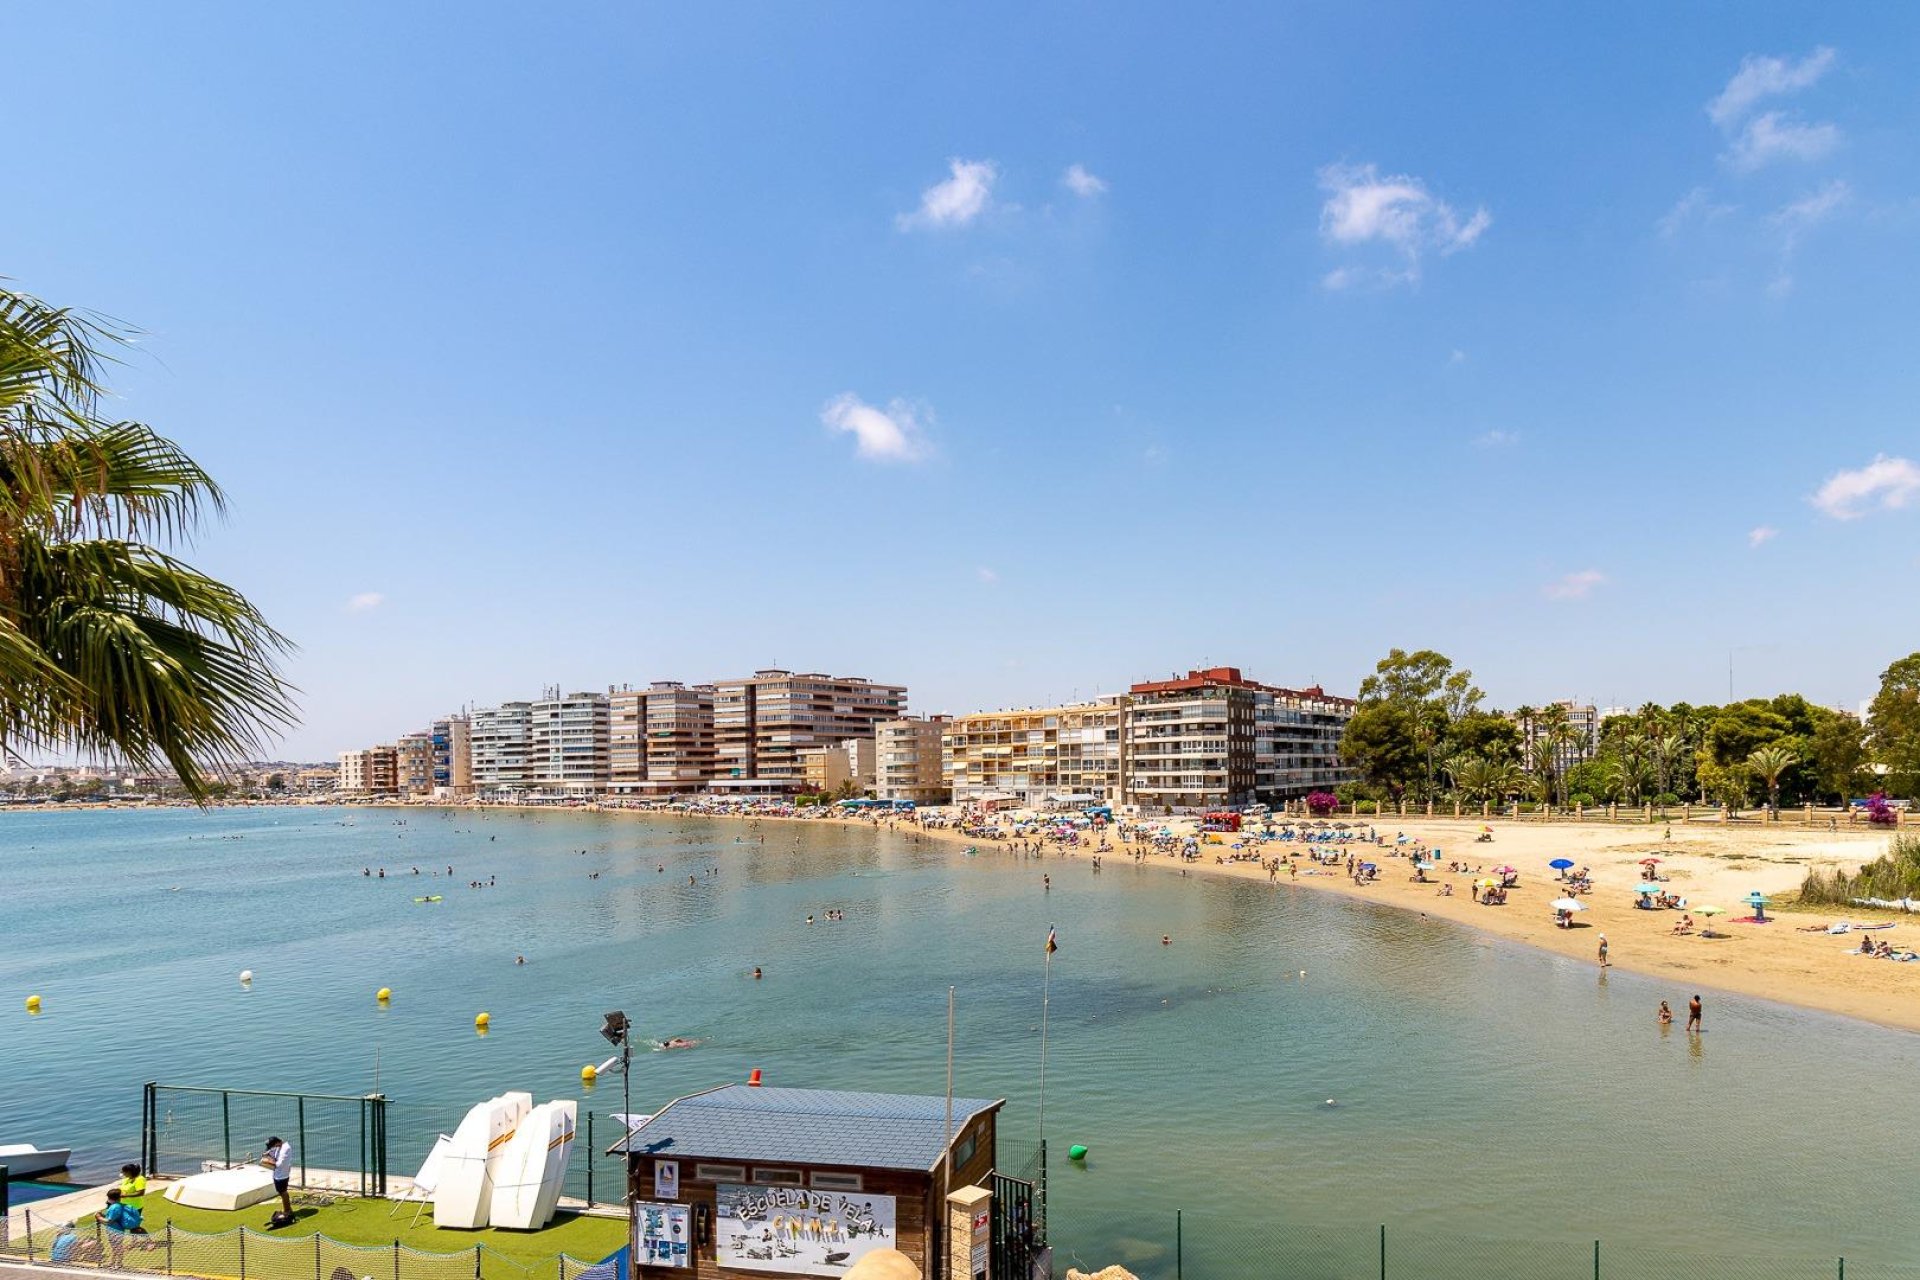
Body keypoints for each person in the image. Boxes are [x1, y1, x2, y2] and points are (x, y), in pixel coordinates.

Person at [262, 1135, 296, 1217]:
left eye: (273, 1146)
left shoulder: (285, 1149)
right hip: (278, 1174)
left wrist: (266, 1161)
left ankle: (287, 1211)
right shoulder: (279, 1147)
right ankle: (287, 1209)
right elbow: (275, 1157)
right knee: (282, 1192)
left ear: (277, 1143)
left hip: (282, 1175)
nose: (273, 1147)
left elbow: (279, 1164)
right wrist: (268, 1154)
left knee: (283, 1192)